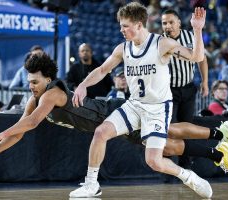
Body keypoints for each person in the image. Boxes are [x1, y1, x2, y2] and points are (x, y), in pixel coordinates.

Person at [0, 53, 228, 182]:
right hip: (111, 122)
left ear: (47, 78)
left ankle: (220, 139)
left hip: (115, 113)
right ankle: (219, 145)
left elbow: (31, 123)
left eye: (34, 81)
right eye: (29, 81)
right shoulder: (36, 97)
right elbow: (21, 130)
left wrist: (0, 133)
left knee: (170, 137)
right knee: (169, 141)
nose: (31, 86)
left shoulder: (53, 92)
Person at [70, 3, 212, 198]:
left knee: (154, 161)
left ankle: (188, 176)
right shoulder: (123, 48)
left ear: (138, 25)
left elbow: (196, 56)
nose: (121, 30)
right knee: (101, 132)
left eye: (125, 25)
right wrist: (83, 84)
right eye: (121, 25)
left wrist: (197, 30)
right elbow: (103, 70)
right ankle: (91, 184)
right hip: (134, 105)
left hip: (157, 108)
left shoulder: (161, 44)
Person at [161, 9, 209, 170]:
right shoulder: (159, 41)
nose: (168, 26)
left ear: (179, 23)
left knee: (187, 128)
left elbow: (202, 59)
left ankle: (186, 166)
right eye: (164, 23)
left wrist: (205, 82)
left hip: (188, 89)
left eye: (171, 22)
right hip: (168, 91)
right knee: (168, 129)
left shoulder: (191, 36)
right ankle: (167, 169)